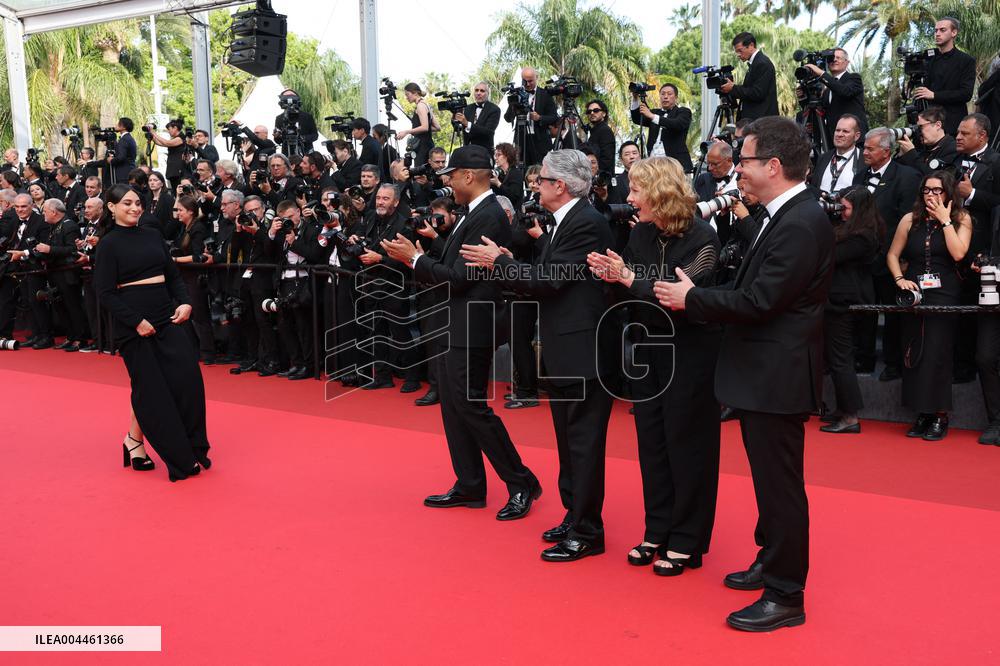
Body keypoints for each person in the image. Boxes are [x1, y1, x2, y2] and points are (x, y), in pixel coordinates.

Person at [654, 117, 834, 631]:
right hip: (761, 372)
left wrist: (692, 299)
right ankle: (770, 559)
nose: (737, 171)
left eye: (745, 161)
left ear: (772, 166)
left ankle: (786, 594)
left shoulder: (800, 221)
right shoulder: (781, 215)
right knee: (768, 481)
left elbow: (761, 301)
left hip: (775, 375)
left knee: (780, 487)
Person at [461, 149, 615, 563]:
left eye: (541, 180)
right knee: (568, 442)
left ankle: (587, 530)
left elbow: (550, 281)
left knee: (582, 444)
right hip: (565, 349)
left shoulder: (587, 223)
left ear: (559, 186)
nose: (536, 186)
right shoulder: (566, 223)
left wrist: (500, 263)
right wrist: (510, 259)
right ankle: (574, 515)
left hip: (583, 350)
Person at [382, 144, 542, 520]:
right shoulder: (475, 212)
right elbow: (457, 264)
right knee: (454, 409)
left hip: (471, 326)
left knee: (470, 406)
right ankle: (470, 483)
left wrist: (416, 259)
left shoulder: (487, 216)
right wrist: (433, 245)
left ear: (469, 176)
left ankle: (522, 482)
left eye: (451, 176)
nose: (448, 183)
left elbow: (460, 279)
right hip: (454, 324)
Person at [587, 156, 722, 575]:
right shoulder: (642, 235)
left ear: (660, 192)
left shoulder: (704, 239)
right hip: (647, 352)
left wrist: (628, 279)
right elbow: (631, 292)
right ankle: (657, 528)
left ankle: (686, 540)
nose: (629, 199)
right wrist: (612, 278)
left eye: (636, 190)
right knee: (652, 443)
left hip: (691, 353)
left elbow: (679, 297)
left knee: (688, 445)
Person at [93, 183, 210, 481]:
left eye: (138, 203)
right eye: (127, 203)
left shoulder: (153, 235)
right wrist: (135, 321)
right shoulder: (108, 244)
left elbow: (172, 275)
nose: (135, 208)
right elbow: (105, 293)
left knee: (187, 380)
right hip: (134, 326)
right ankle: (179, 458)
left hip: (166, 317)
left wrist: (185, 303)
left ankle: (142, 441)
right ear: (112, 207)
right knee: (152, 392)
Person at [886, 171, 972, 441]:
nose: (931, 195)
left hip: (944, 294)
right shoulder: (909, 220)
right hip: (913, 293)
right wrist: (899, 279)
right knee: (914, 351)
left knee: (937, 353)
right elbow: (892, 254)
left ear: (948, 193)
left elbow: (959, 253)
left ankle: (939, 414)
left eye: (937, 190)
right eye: (927, 190)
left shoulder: (961, 218)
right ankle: (921, 411)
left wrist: (945, 221)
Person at [852, 128, 923, 378]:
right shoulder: (859, 176)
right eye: (865, 148)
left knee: (892, 312)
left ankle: (894, 362)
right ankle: (864, 357)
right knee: (864, 309)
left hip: (891, 257)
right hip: (862, 258)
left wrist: (902, 257)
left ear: (886, 151)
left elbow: (909, 220)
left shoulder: (906, 176)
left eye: (870, 148)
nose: (865, 152)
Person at [819, 187, 882, 434]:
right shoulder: (851, 230)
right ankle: (843, 409)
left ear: (859, 210)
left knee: (841, 359)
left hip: (843, 300)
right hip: (835, 298)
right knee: (836, 359)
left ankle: (850, 416)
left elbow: (830, 255)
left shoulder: (864, 237)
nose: (840, 211)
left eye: (845, 207)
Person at [169, 194, 216, 363]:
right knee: (183, 315)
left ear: (190, 211)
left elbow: (198, 256)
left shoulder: (198, 228)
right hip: (184, 278)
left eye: (180, 210)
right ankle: (192, 350)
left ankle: (208, 352)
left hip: (195, 278)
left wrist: (174, 260)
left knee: (199, 315)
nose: (178, 213)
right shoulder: (185, 228)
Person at [918, 17, 977, 136]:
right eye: (936, 30)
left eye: (942, 30)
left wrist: (934, 95)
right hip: (929, 123)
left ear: (954, 33)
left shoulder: (966, 60)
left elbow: (966, 93)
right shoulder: (929, 60)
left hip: (953, 125)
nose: (937, 33)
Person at [802, 48, 869, 142]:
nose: (834, 60)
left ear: (847, 62)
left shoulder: (854, 78)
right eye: (831, 58)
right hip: (833, 140)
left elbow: (844, 91)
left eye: (838, 58)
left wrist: (821, 73)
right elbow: (818, 111)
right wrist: (803, 97)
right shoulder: (827, 90)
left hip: (854, 139)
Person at [503, 67, 559, 167]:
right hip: (521, 140)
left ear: (536, 77)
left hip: (540, 141)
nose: (528, 84)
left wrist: (540, 118)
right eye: (525, 81)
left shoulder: (545, 94)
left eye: (530, 81)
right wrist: (513, 104)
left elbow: (554, 117)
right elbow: (507, 118)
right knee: (521, 171)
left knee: (540, 172)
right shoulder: (517, 94)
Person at [629, 83, 693, 170]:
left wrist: (652, 116)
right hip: (652, 164)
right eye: (662, 94)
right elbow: (637, 119)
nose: (665, 97)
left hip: (675, 165)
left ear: (676, 97)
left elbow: (677, 124)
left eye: (669, 94)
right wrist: (635, 98)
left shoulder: (683, 112)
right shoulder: (656, 112)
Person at [720, 32, 779, 121]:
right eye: (736, 52)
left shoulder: (762, 63)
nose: (738, 55)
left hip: (762, 122)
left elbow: (757, 93)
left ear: (751, 45)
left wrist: (733, 88)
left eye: (740, 50)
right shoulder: (756, 63)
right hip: (756, 121)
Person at [810, 115, 865, 196]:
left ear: (856, 136)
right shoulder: (823, 158)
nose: (839, 134)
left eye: (845, 131)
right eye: (837, 130)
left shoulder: (864, 160)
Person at [897, 106, 958, 176]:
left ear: (938, 125)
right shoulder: (923, 149)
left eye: (920, 127)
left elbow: (934, 178)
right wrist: (901, 155)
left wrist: (911, 154)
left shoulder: (953, 148)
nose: (918, 132)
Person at [395, 83, 437, 167]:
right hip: (429, 144)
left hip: (422, 147)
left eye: (407, 94)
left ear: (415, 93)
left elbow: (425, 127)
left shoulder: (420, 106)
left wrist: (406, 132)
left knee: (420, 174)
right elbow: (437, 127)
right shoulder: (426, 105)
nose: (406, 97)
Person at [457, 82, 501, 152]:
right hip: (467, 152)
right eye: (476, 90)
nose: (478, 93)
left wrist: (467, 123)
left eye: (482, 91)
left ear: (488, 93)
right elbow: (458, 129)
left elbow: (488, 132)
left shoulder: (494, 109)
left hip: (484, 152)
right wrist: (454, 116)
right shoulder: (467, 108)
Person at [583, 100, 616, 174]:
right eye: (589, 111)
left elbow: (607, 159)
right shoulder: (595, 131)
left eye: (596, 110)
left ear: (604, 114)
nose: (592, 113)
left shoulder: (604, 130)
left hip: (602, 180)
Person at [490, 142, 525, 210]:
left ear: (507, 156)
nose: (495, 158)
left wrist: (498, 184)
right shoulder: (502, 174)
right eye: (495, 155)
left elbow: (514, 196)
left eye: (498, 155)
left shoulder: (516, 173)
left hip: (515, 214)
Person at [108, 117, 138, 185]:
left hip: (124, 174)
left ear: (123, 127)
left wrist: (111, 160)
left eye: (118, 124)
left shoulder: (124, 139)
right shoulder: (129, 138)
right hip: (129, 171)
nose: (115, 125)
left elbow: (121, 157)